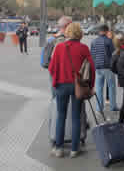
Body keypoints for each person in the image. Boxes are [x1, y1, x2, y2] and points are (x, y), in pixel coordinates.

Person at [49, 22, 95, 158]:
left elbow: (51, 68)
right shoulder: (84, 48)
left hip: (61, 85)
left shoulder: (59, 47)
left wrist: (56, 80)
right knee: (76, 117)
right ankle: (75, 149)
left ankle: (58, 148)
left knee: (61, 116)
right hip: (78, 86)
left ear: (67, 32)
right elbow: (91, 68)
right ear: (80, 33)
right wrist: (90, 86)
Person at [41, 16, 72, 98]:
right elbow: (58, 58)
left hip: (53, 71)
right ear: (67, 26)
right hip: (58, 73)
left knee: (55, 95)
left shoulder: (52, 38)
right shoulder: (61, 40)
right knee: (58, 97)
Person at [90, 24, 118, 114]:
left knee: (98, 88)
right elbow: (113, 54)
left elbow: (92, 55)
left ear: (99, 31)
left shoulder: (93, 42)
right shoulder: (109, 41)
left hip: (97, 68)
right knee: (111, 87)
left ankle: (99, 108)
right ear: (106, 31)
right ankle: (113, 106)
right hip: (107, 67)